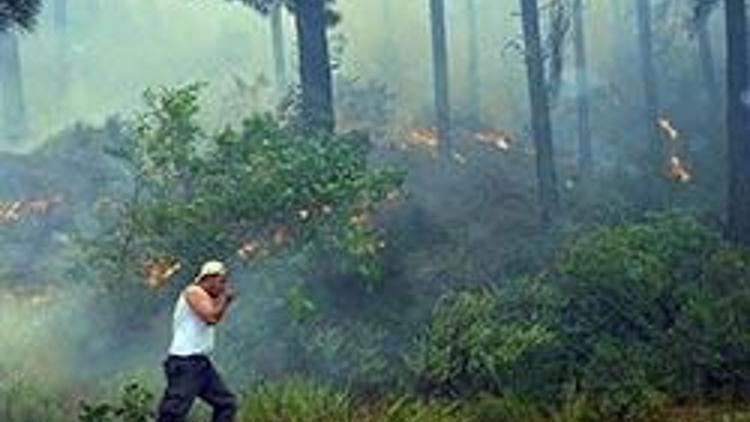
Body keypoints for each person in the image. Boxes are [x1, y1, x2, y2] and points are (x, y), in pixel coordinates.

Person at [156, 260, 237, 422]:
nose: (223, 286)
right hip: (186, 362)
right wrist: (225, 300)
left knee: (226, 404)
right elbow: (210, 317)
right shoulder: (194, 291)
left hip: (199, 362)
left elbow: (214, 316)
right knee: (173, 412)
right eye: (221, 282)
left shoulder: (205, 297)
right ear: (209, 278)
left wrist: (222, 302)